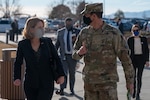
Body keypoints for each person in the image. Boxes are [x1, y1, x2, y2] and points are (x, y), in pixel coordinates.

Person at [72, 3, 134, 100]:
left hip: (108, 85)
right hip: (90, 84)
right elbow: (74, 54)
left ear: (94, 16)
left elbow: (125, 58)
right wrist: (79, 53)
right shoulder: (84, 32)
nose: (84, 17)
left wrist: (130, 81)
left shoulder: (113, 33)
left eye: (86, 15)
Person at [13, 17, 65, 100]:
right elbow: (18, 62)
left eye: (43, 27)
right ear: (31, 29)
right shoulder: (23, 44)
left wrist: (61, 75)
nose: (42, 30)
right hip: (30, 83)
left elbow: (56, 58)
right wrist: (17, 77)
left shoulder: (47, 42)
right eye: (39, 27)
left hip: (47, 82)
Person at [55, 18, 80, 95]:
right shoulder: (60, 32)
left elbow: (80, 44)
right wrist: (53, 54)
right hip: (63, 56)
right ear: (65, 23)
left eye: (70, 23)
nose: (69, 25)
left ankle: (72, 89)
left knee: (72, 73)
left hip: (73, 56)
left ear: (72, 23)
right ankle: (62, 89)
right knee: (63, 73)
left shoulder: (77, 32)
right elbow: (57, 44)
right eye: (67, 23)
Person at [127, 24, 149, 100]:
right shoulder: (130, 40)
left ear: (139, 31)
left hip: (141, 59)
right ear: (132, 31)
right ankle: (133, 91)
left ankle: (138, 94)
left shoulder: (144, 39)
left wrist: (147, 60)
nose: (135, 32)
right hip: (133, 59)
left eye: (137, 30)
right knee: (133, 77)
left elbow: (146, 50)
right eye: (134, 30)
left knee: (139, 77)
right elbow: (127, 51)